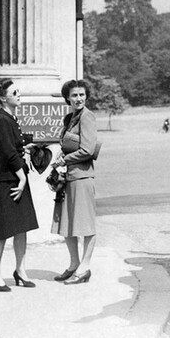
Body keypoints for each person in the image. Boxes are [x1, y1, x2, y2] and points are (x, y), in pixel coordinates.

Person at [0, 78, 38, 291]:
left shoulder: (10, 118)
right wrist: (21, 177)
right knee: (3, 229)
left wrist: (26, 147)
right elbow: (8, 152)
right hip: (10, 180)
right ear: (3, 98)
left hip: (18, 178)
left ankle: (20, 271)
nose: (19, 95)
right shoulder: (1, 120)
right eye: (14, 92)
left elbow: (14, 146)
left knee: (22, 227)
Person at [53, 79, 98, 284]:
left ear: (86, 96)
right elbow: (67, 145)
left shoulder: (87, 117)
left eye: (81, 95)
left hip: (82, 177)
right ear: (67, 98)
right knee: (67, 222)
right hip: (69, 177)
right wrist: (59, 157)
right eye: (74, 95)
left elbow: (88, 150)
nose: (78, 99)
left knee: (86, 224)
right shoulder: (70, 118)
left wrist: (65, 159)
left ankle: (85, 267)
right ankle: (74, 264)